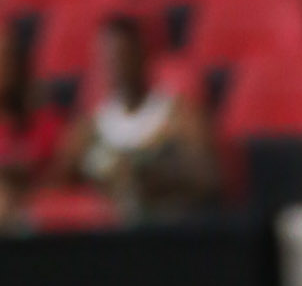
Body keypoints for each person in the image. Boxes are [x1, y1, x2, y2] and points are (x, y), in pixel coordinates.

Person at [55, 18, 217, 220]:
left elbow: (210, 179)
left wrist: (153, 176)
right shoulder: (89, 128)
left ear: (142, 55)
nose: (115, 64)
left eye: (123, 54)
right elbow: (56, 186)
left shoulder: (179, 116)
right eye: (108, 57)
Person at [0, 17, 63, 223]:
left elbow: (59, 175)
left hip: (36, 210)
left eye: (9, 59)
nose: (4, 68)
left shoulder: (45, 122)